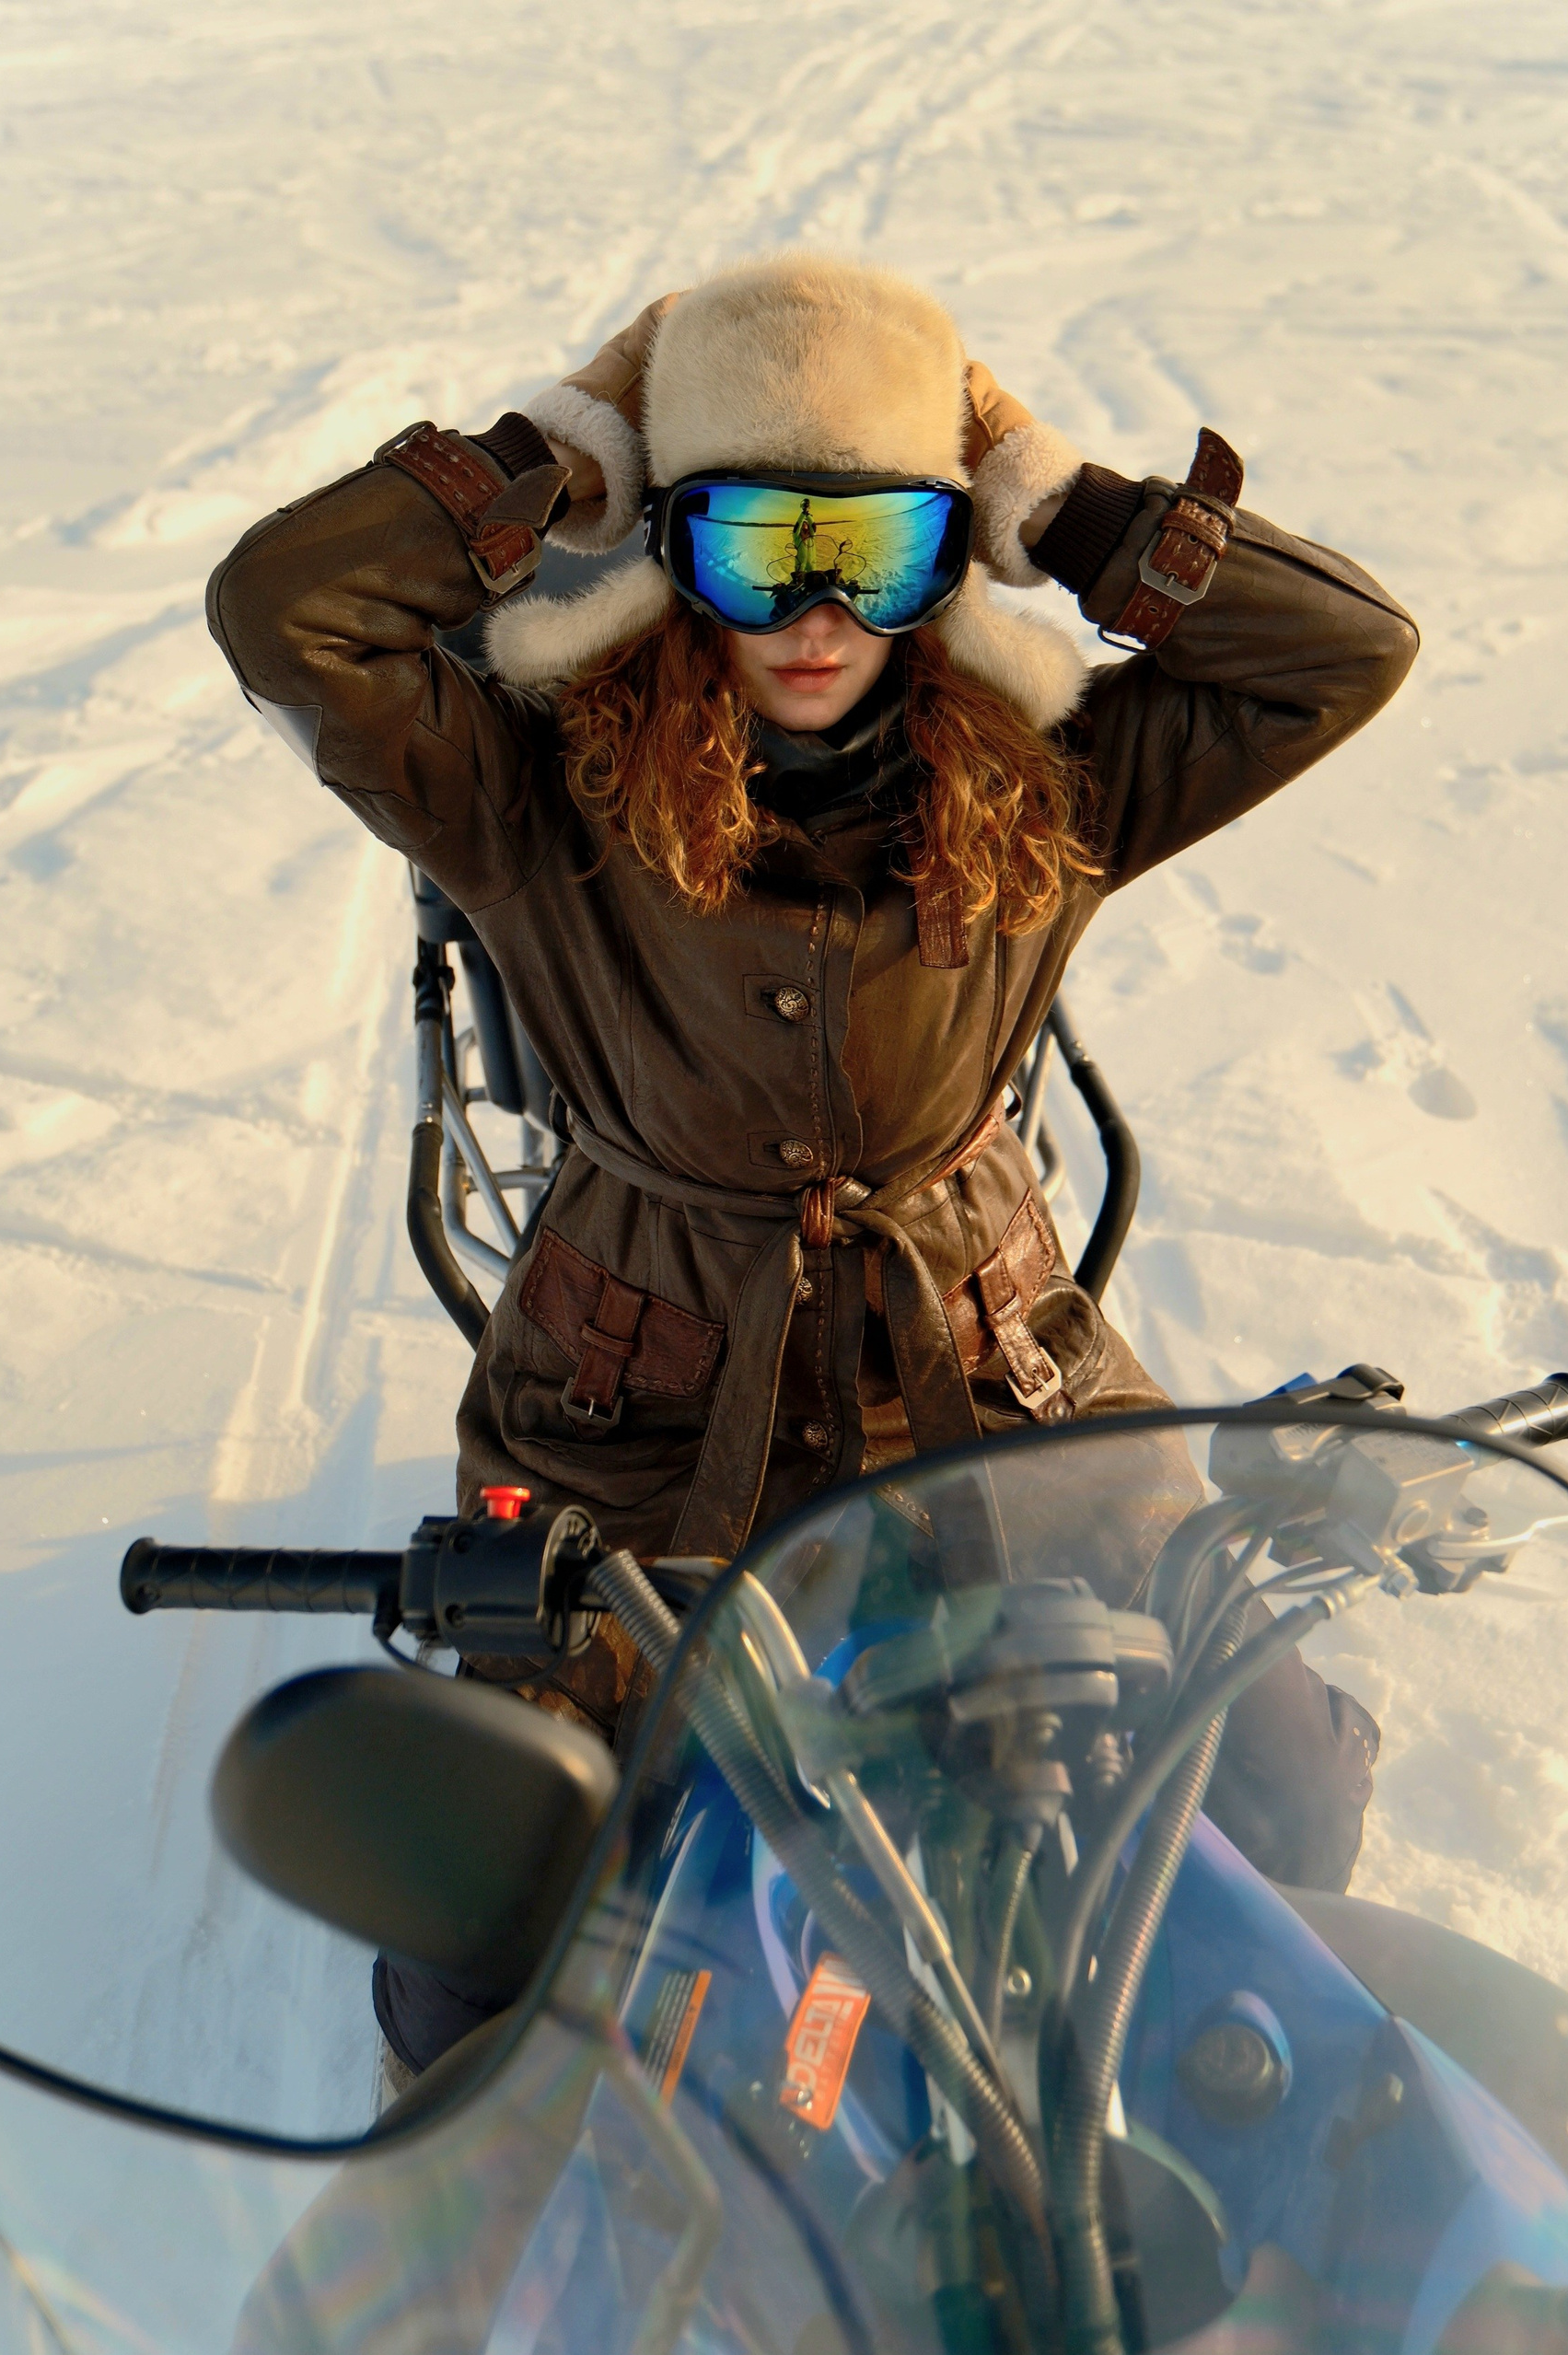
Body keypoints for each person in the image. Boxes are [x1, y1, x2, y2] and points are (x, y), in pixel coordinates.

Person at [206, 255, 1414, 2075]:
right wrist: (552, 451)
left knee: (1280, 1789)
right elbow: (283, 610)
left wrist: (1067, 505)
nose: (819, 609)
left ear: (950, 561)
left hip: (995, 1375)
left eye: (882, 546)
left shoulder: (1050, 786)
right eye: (758, 543)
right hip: (634, 1410)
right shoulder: (535, 799)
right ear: (673, 549)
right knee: (496, 1924)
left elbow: (1349, 652)